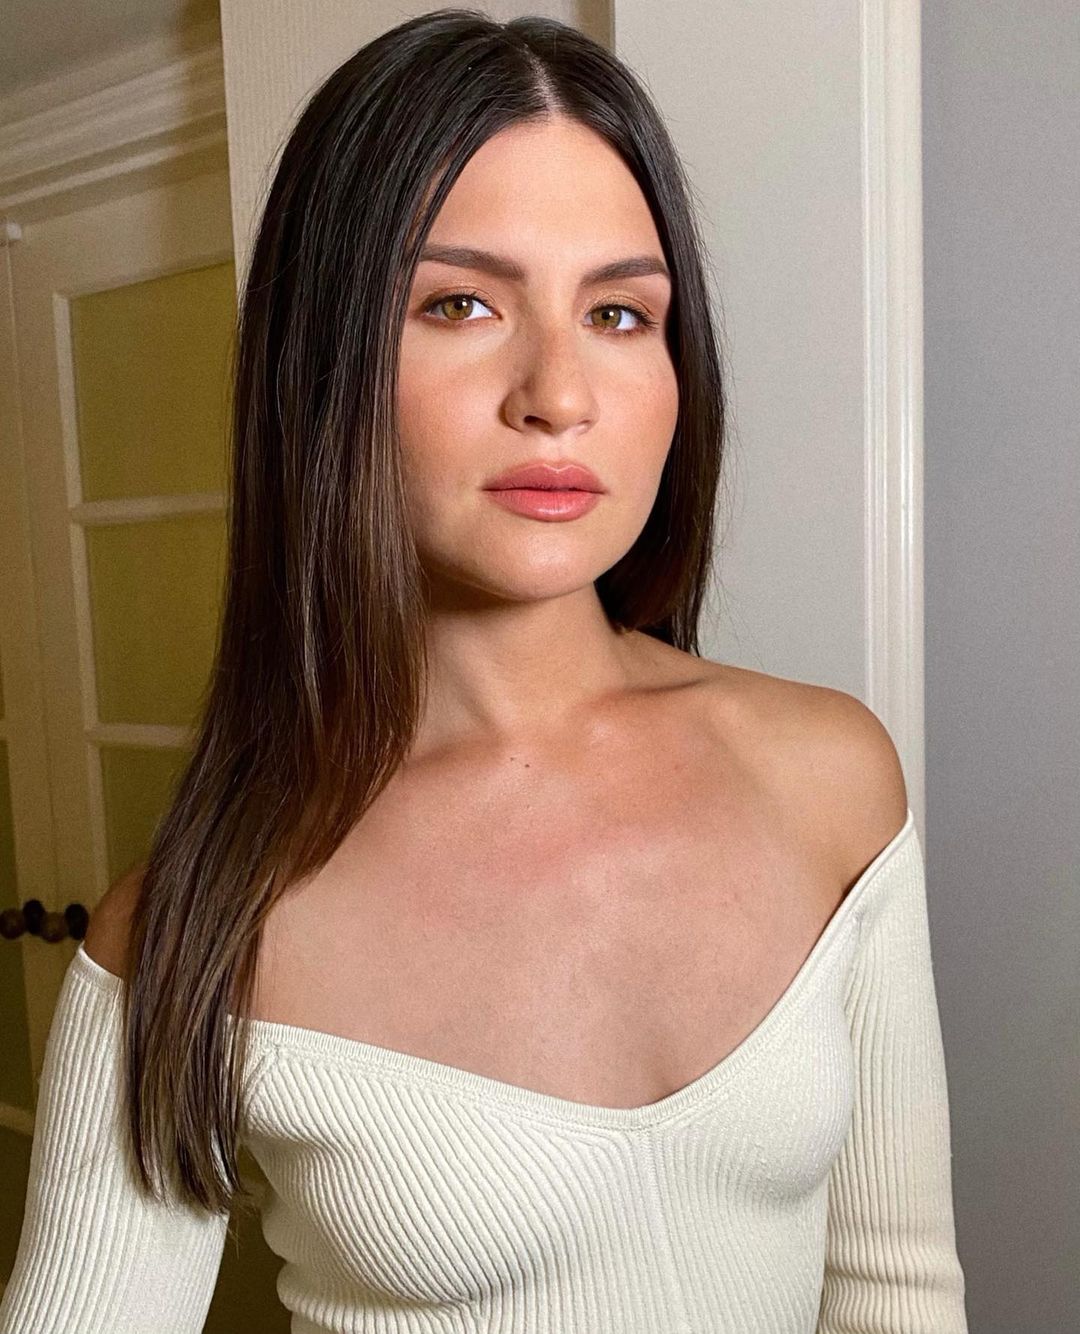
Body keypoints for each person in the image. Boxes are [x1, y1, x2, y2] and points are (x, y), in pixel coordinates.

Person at [0, 10, 968, 1332]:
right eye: (460, 303)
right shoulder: (204, 924)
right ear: (325, 362)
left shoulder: (827, 775)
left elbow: (896, 1288)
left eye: (619, 313)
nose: (559, 393)